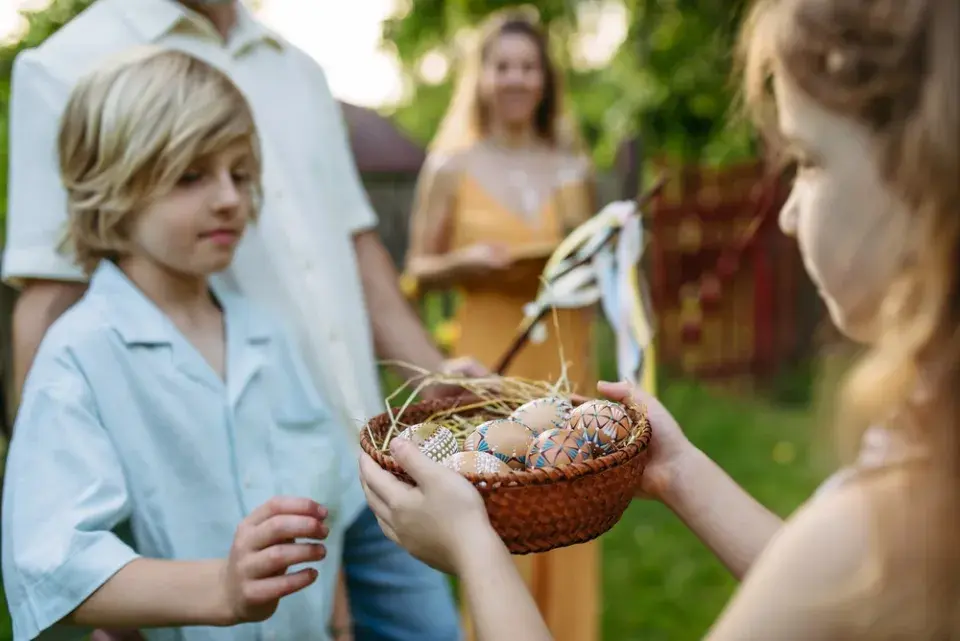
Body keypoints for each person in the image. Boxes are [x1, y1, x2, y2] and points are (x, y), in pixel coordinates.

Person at [360, 0, 960, 638]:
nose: (785, 214)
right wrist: (680, 475)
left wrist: (473, 548)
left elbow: (828, 575)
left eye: (808, 162)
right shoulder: (917, 485)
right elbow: (840, 603)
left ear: (924, 177)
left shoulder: (888, 516)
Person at [2, 1, 473, 639]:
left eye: (241, 175)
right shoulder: (83, 354)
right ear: (110, 188)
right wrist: (180, 591)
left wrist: (336, 618)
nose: (229, 198)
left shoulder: (267, 335)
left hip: (371, 457)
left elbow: (315, 483)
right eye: (191, 175)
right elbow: (54, 552)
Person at [402, 10, 601, 641]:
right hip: (491, 354)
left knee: (570, 490)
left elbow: (592, 260)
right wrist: (462, 262)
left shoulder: (572, 168)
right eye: (502, 65)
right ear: (482, 76)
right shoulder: (451, 168)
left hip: (564, 351)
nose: (515, 79)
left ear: (545, 79)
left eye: (528, 66)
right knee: (496, 499)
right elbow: (417, 269)